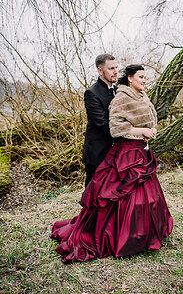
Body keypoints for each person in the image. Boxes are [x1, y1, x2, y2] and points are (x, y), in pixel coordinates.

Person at [52, 65, 173, 263]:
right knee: (122, 198)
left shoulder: (143, 96)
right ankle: (124, 239)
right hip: (126, 155)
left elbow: (150, 121)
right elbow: (116, 128)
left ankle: (145, 236)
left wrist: (149, 132)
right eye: (141, 77)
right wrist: (141, 131)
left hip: (141, 153)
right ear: (131, 78)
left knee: (148, 198)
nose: (144, 80)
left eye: (145, 77)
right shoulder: (122, 98)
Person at [82, 54, 119, 187]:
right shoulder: (91, 93)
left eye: (116, 67)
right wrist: (128, 131)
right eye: (111, 68)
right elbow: (102, 123)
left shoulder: (118, 91)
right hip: (97, 153)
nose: (115, 71)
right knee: (93, 191)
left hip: (115, 152)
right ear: (100, 71)